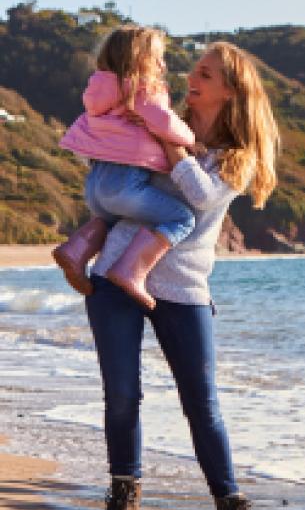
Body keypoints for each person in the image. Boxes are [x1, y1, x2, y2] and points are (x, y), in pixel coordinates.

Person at [84, 41, 279, 510]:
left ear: (231, 91)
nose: (192, 78)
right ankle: (124, 490)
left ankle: (228, 498)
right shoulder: (159, 125)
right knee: (122, 395)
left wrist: (170, 142)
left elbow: (199, 195)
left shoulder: (238, 155)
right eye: (195, 69)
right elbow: (114, 183)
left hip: (184, 286)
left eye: (206, 75)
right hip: (115, 274)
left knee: (202, 404)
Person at [55, 25, 199, 310]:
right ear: (139, 59)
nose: (162, 64)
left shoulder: (99, 92)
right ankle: (132, 271)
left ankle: (76, 250)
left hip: (95, 187)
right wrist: (191, 139)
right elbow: (165, 123)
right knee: (182, 219)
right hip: (125, 183)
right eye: (158, 57)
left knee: (112, 219)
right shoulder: (142, 88)